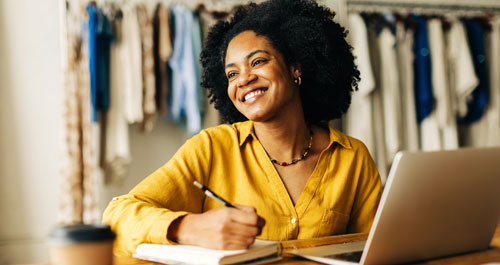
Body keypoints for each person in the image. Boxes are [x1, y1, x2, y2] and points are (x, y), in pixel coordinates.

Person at [103, 0, 382, 256]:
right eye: (232, 74)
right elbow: (116, 217)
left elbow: (378, 250)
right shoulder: (211, 149)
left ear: (295, 67)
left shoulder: (353, 157)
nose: (244, 80)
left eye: (258, 62)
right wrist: (188, 228)